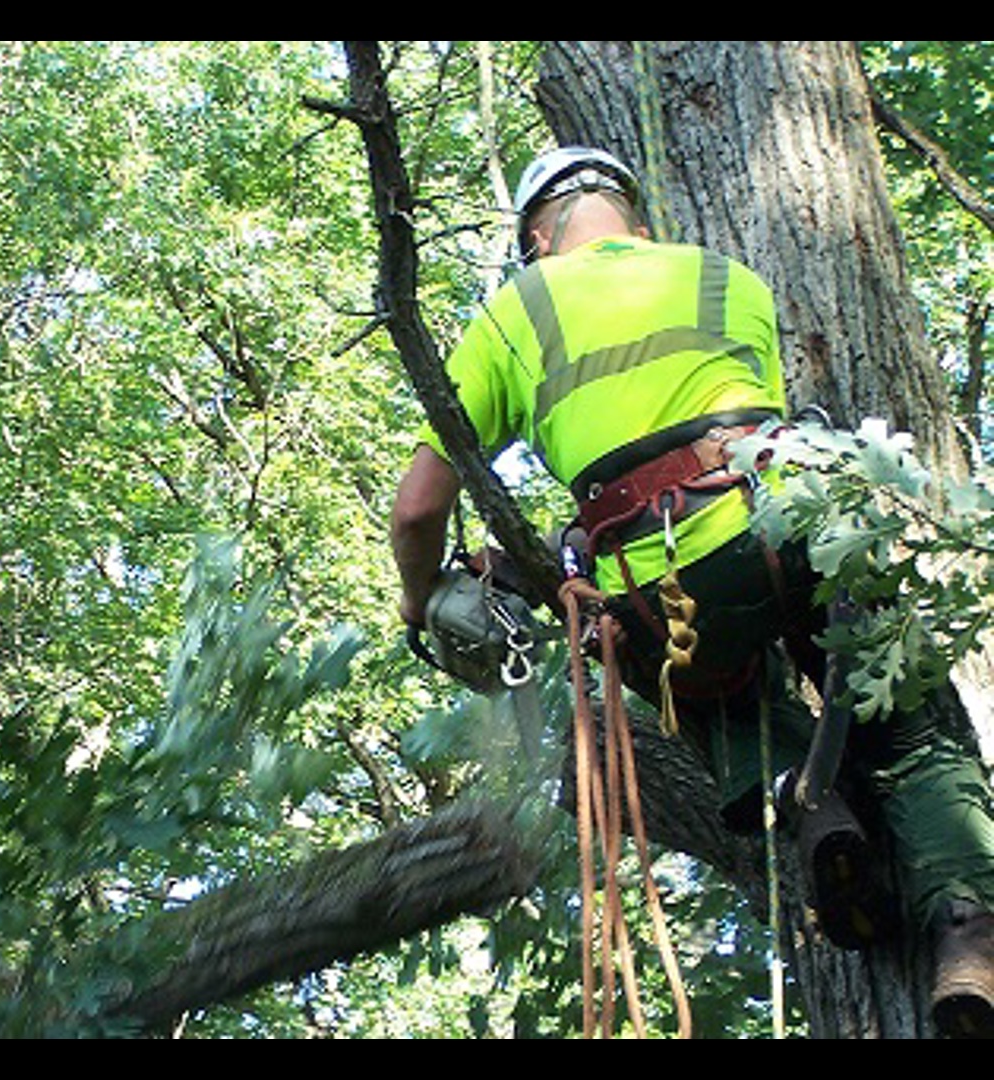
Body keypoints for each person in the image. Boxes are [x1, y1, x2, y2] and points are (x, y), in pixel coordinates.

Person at [388, 146, 994, 1037]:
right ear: (634, 220)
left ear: (535, 237)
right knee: (906, 730)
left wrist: (417, 596)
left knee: (707, 690)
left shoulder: (512, 315)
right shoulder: (727, 280)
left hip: (653, 571)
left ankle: (813, 801)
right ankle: (969, 937)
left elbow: (415, 513)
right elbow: (751, 424)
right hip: (794, 514)